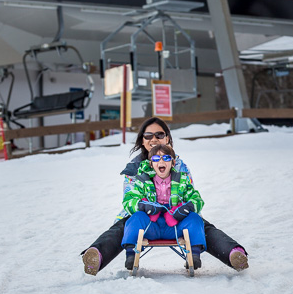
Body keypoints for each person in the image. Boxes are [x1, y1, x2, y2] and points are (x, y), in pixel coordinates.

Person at [81, 117, 249, 275]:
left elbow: (190, 192)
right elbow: (129, 197)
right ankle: (96, 255)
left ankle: (234, 255)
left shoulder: (179, 165)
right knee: (122, 227)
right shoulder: (134, 168)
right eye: (148, 135)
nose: (153, 139)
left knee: (202, 226)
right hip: (142, 214)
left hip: (176, 213)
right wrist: (143, 206)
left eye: (159, 134)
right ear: (142, 140)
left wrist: (188, 208)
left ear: (167, 138)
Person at [121, 143, 206, 270]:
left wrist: (187, 207)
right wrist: (142, 206)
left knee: (194, 218)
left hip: (175, 226)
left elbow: (196, 198)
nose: (161, 161)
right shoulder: (143, 180)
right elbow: (129, 200)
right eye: (156, 159)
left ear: (172, 162)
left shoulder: (182, 179)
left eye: (166, 158)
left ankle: (194, 254)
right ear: (151, 164)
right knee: (135, 218)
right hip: (151, 225)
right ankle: (131, 254)